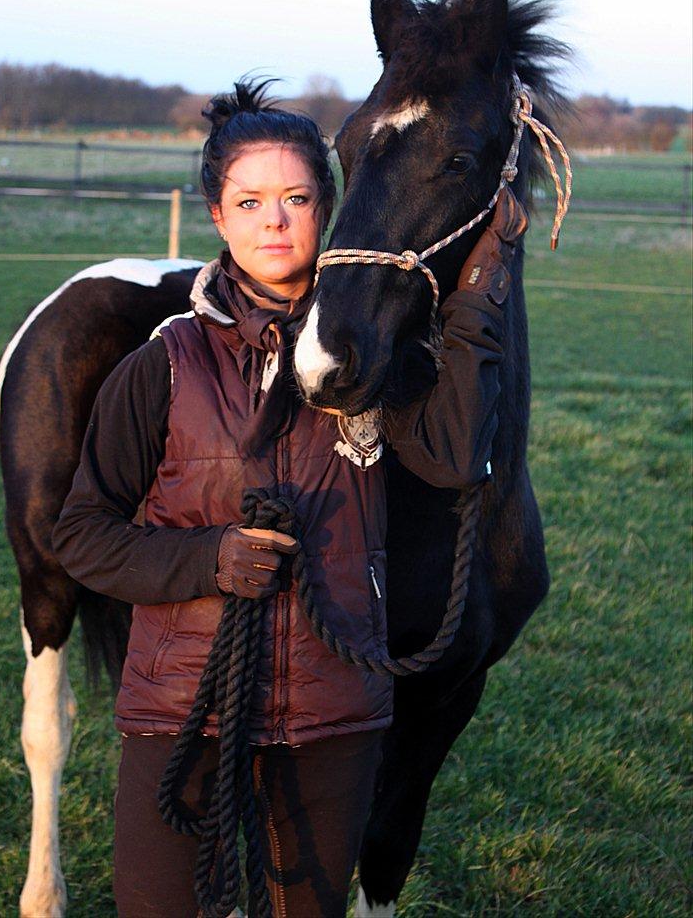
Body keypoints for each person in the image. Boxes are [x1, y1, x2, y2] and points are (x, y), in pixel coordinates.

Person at [52, 77, 527, 918]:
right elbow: (84, 535)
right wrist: (208, 558)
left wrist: (483, 284)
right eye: (250, 200)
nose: (274, 221)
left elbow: (457, 461)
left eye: (297, 197)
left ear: (331, 208)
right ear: (219, 218)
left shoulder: (374, 365)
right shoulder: (161, 367)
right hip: (182, 714)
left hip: (331, 720)